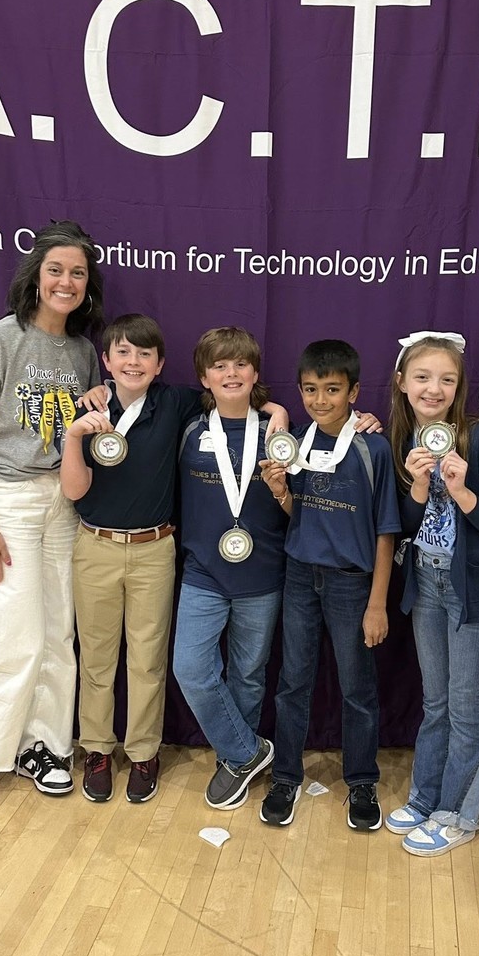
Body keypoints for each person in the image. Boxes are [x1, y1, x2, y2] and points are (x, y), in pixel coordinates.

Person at [61, 316, 289, 805]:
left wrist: (281, 413)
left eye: (145, 354)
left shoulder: (178, 404)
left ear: (161, 364)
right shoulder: (91, 410)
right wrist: (74, 434)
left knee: (149, 662)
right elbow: (73, 490)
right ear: (106, 362)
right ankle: (98, 750)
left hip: (155, 548)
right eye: (123, 353)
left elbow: (238, 399)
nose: (134, 362)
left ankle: (144, 752)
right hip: (96, 544)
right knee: (97, 660)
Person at [0, 220, 104, 807]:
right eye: (56, 270)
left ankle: (42, 745)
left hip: (62, 502)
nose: (66, 281)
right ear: (36, 276)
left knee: (58, 635)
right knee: (15, 636)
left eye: (78, 273)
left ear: (88, 286)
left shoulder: (85, 351)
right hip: (8, 499)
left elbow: (87, 434)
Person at [385, 332, 479, 857]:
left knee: (465, 706)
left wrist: (463, 492)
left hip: (474, 590)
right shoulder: (403, 440)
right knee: (436, 701)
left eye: (446, 379)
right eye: (422, 377)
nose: (433, 388)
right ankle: (425, 797)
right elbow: (404, 526)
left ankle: (458, 814)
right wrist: (419, 487)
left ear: (460, 385)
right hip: (428, 586)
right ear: (401, 383)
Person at [258, 340, 400, 831]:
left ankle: (361, 779)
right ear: (299, 391)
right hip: (300, 574)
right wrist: (280, 491)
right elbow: (301, 513)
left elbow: (386, 531)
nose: (321, 400)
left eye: (333, 390)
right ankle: (286, 776)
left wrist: (377, 602)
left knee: (357, 686)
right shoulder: (294, 442)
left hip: (351, 583)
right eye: (311, 390)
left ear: (354, 391)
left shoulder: (372, 448)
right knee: (293, 681)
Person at [171, 327, 287, 810]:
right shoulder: (190, 429)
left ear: (255, 373)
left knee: (249, 675)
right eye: (220, 365)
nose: (231, 372)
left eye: (240, 364)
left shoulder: (280, 434)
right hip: (203, 572)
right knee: (192, 668)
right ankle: (246, 751)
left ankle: (232, 766)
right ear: (204, 377)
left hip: (262, 575)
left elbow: (295, 507)